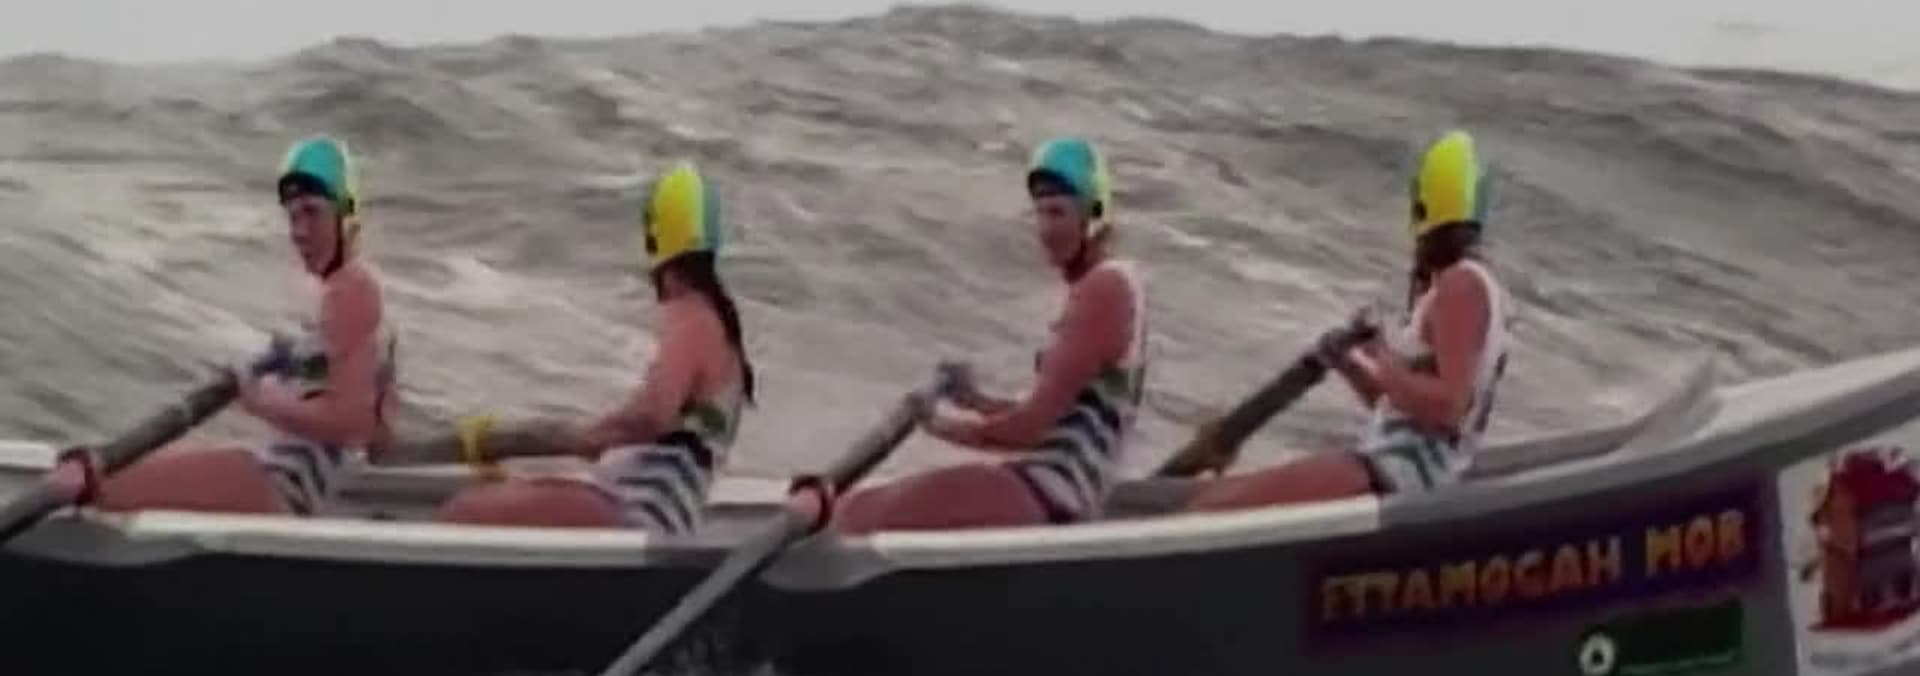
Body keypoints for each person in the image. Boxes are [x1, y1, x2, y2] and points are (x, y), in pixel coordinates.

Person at [404, 161, 755, 534]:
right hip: (658, 506)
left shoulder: (690, 317)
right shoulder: (714, 320)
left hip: (642, 510)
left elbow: (650, 418)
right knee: (517, 492)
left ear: (654, 233)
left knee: (464, 510)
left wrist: (586, 439)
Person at [831, 136, 1150, 534]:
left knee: (854, 515)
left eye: (1058, 213)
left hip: (1053, 494)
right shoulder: (1113, 283)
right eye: (1039, 214)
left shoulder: (1105, 288)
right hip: (1058, 491)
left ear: (1096, 215)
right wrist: (976, 401)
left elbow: (1030, 429)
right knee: (861, 508)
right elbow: (1059, 416)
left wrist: (936, 424)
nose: (1045, 230)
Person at [1182, 129, 1513, 511]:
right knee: (1218, 497)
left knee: (1212, 507)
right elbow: (1404, 407)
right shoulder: (1468, 286)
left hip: (1403, 471)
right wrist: (1353, 363)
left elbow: (1449, 407)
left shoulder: (1461, 284)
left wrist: (1384, 359)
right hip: (1404, 466)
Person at [93, 136, 399, 516]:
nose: (299, 231)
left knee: (105, 488)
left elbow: (352, 423)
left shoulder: (351, 289)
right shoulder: (355, 292)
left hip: (282, 485)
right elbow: (378, 433)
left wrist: (259, 400)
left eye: (312, 213)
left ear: (346, 212)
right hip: (289, 480)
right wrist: (290, 373)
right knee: (126, 478)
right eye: (293, 217)